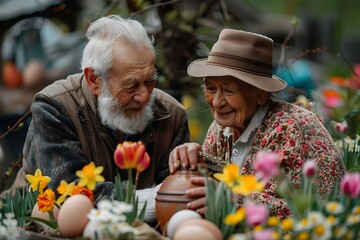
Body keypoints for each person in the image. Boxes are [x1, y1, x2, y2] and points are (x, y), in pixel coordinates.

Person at [5, 15, 190, 219]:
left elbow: (180, 193)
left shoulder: (171, 115)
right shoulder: (54, 108)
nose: (145, 96)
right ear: (94, 80)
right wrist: (157, 199)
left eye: (150, 81)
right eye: (131, 85)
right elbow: (69, 195)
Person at [168, 29, 346, 218]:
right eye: (211, 88)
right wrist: (198, 161)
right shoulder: (221, 128)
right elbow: (224, 180)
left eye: (228, 91)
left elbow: (303, 211)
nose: (217, 101)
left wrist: (228, 200)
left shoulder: (290, 128)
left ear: (261, 94)